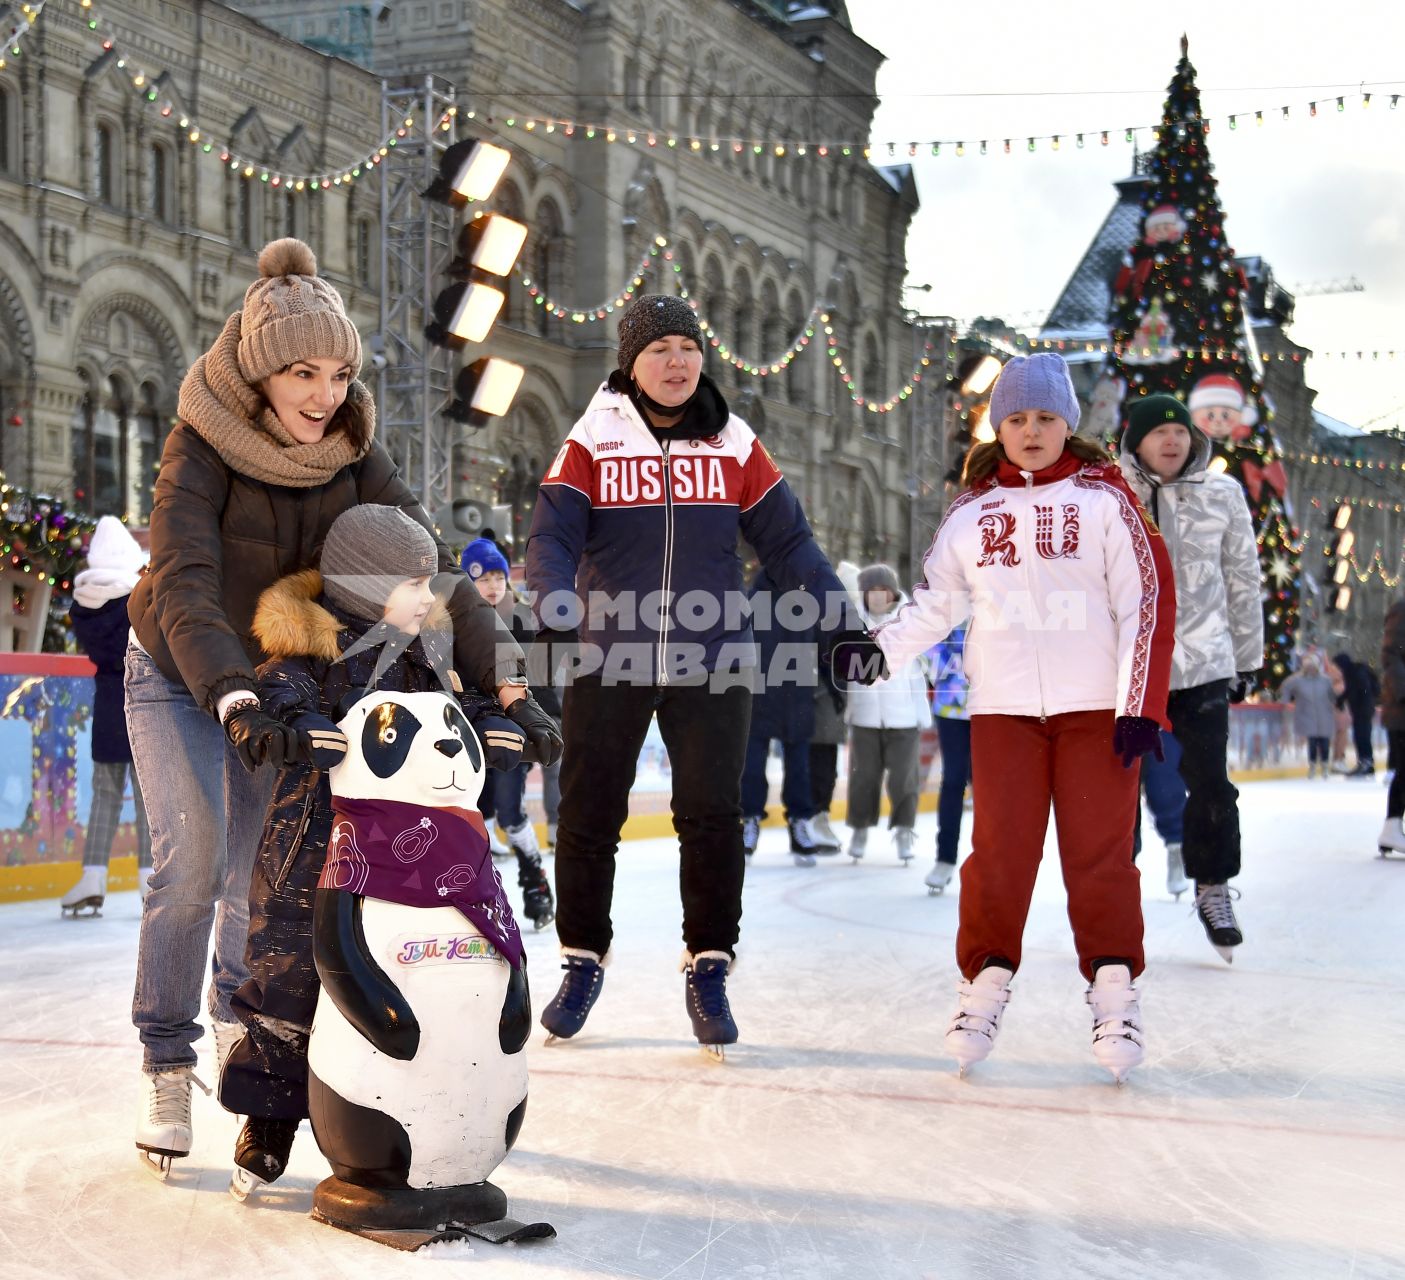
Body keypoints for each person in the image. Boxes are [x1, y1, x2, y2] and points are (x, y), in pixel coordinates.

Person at [124, 237, 557, 1177]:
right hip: (178, 667)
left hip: (276, 679)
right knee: (192, 862)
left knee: (256, 878)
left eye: (337, 372)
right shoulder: (197, 446)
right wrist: (233, 693)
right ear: (259, 370)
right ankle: (166, 1058)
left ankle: (247, 1054)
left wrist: (511, 684)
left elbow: (429, 572)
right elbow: (186, 584)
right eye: (302, 373)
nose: (323, 393)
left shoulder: (355, 452)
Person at [525, 293, 879, 1054]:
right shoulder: (590, 441)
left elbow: (790, 547)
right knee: (587, 816)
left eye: (686, 347)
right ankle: (582, 957)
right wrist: (553, 599)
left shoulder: (733, 444)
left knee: (712, 816)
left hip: (713, 657)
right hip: (609, 652)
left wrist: (843, 624)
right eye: (659, 350)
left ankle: (708, 963)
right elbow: (552, 536)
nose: (676, 362)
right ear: (630, 362)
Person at [872, 353, 1175, 1082]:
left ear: (1066, 423)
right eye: (1016, 418)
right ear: (997, 426)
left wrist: (1139, 706)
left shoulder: (1106, 501)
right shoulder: (973, 512)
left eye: (1044, 418)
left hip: (1094, 710)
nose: (1031, 431)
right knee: (998, 856)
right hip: (1002, 709)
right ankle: (981, 985)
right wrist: (876, 652)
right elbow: (935, 602)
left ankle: (1112, 993)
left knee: (1098, 857)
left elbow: (1147, 602)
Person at [219, 505, 535, 1193]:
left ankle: (440, 1101)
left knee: (420, 974)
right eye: (416, 582)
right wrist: (299, 725)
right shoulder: (311, 651)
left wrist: (496, 724)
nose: (431, 595)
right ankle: (268, 1117)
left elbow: (461, 704)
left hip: (415, 851)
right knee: (291, 977)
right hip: (315, 847)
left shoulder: (428, 655)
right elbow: (281, 689)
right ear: (366, 585)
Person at [1119, 393, 1262, 964]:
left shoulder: (1223, 494)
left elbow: (1243, 579)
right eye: (1159, 432)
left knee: (1209, 782)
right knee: (1116, 787)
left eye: (1180, 431)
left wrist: (1247, 660)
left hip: (1202, 663)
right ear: (1137, 442)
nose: (1172, 440)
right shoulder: (1111, 494)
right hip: (1128, 666)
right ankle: (1112, 891)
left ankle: (1212, 887)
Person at [462, 535, 557, 928]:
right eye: (483, 578)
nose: (494, 584)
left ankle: (535, 880)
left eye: (499, 575)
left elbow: (534, 681)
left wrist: (541, 723)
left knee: (511, 812)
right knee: (476, 815)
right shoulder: (453, 623)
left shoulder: (520, 620)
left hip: (510, 731)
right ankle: (481, 894)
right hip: (467, 732)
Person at [60, 516, 153, 916]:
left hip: (105, 707)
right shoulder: (135, 599)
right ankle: (150, 879)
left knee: (105, 796)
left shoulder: (83, 605)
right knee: (150, 799)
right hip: (143, 701)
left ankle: (92, 876)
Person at [740, 566, 840, 866]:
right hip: (757, 698)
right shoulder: (750, 601)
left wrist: (837, 691)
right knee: (753, 769)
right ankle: (750, 820)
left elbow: (824, 649)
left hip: (796, 698)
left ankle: (799, 824)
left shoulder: (807, 603)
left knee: (798, 770)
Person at [844, 563, 932, 865]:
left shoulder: (909, 624)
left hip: (904, 718)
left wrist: (922, 714)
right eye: (872, 591)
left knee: (903, 779)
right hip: (865, 718)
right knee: (863, 777)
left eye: (883, 590)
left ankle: (905, 829)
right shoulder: (852, 623)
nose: (878, 597)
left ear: (893, 593)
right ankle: (859, 828)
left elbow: (919, 674)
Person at [924, 623, 970, 895]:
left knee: (992, 788)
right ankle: (945, 858)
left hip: (994, 707)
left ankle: (994, 861)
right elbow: (931, 657)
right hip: (951, 707)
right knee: (953, 781)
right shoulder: (946, 606)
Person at [1280, 655, 1336, 778]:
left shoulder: (1325, 680)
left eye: (1312, 666)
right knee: (1312, 742)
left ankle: (1325, 766)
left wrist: (1335, 704)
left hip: (1324, 715)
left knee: (1324, 742)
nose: (1310, 669)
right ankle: (1312, 766)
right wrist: (1285, 701)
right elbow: (1286, 687)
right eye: (1308, 667)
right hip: (1307, 715)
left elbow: (1333, 695)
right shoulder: (1298, 680)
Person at [1379, 596, 1405, 855]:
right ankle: (1392, 826)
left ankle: (1393, 827)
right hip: (1401, 710)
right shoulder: (1402, 609)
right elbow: (1390, 655)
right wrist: (1402, 692)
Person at [1333, 652, 1380, 777]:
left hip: (1363, 710)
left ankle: (1366, 762)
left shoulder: (1356, 672)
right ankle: (1365, 762)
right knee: (1360, 736)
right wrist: (1341, 699)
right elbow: (1351, 690)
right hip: (1362, 709)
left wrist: (1359, 700)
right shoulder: (1353, 672)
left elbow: (1363, 689)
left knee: (1362, 736)